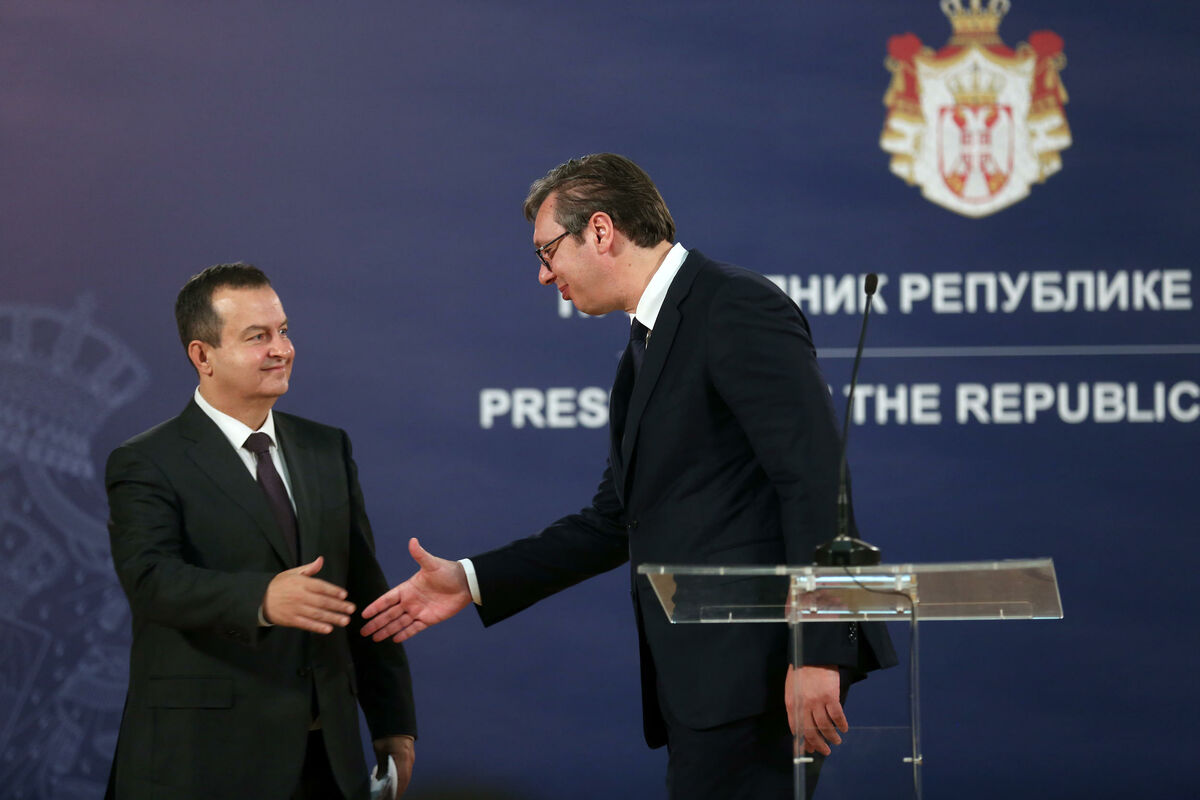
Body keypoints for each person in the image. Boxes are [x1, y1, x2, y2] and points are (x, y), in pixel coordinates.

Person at [360, 154, 895, 799]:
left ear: (601, 230)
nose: (543, 273)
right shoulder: (646, 345)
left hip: (759, 675)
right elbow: (615, 519)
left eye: (547, 250)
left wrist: (819, 649)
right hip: (703, 685)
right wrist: (472, 581)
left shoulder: (734, 305)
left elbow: (814, 479)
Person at [105, 263, 416, 800]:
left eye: (284, 331)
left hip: (327, 763)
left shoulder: (327, 449)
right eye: (257, 337)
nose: (282, 349)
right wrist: (263, 599)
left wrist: (394, 726)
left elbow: (363, 596)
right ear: (202, 356)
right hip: (201, 763)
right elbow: (151, 581)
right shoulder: (147, 461)